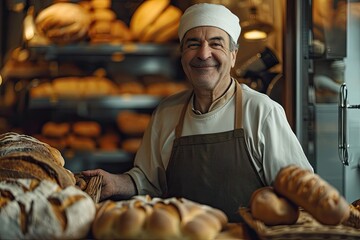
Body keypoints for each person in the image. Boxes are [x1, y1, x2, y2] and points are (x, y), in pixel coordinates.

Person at [82, 3, 313, 222]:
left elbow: (301, 192)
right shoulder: (166, 113)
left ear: (233, 55)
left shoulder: (262, 111)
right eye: (193, 44)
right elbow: (148, 182)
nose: (203, 54)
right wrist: (116, 183)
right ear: (182, 55)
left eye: (216, 44)